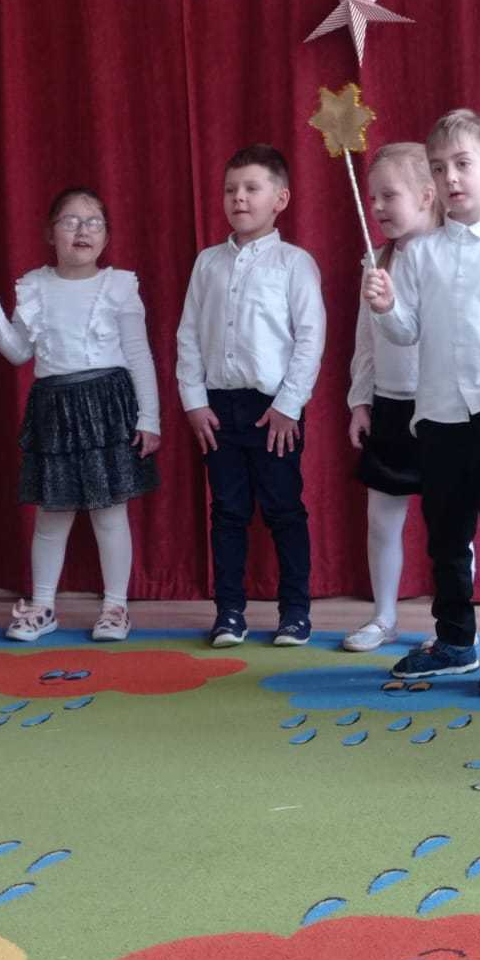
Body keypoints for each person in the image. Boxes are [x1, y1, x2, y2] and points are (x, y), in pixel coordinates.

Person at [363, 109, 480, 696]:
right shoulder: (420, 254)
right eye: (440, 167)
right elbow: (407, 332)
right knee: (446, 539)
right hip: (437, 417)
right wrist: (386, 307)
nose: (450, 178)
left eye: (463, 164)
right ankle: (454, 642)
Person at [0, 187, 160, 643]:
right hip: (54, 408)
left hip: (108, 406)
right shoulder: (34, 286)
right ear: (50, 233)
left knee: (109, 512)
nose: (82, 230)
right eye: (70, 221)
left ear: (106, 236)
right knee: (52, 514)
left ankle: (115, 608)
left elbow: (139, 355)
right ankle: (42, 607)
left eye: (93, 222)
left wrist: (149, 418)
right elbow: (18, 352)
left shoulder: (119, 285)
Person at [177, 144, 324, 648]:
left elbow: (310, 338)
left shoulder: (294, 263)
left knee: (284, 509)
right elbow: (188, 334)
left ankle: (295, 613)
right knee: (227, 511)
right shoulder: (207, 263)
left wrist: (288, 405)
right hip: (218, 409)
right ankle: (229, 612)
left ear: (280, 199)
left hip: (273, 411)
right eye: (230, 189)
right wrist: (194, 401)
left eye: (251, 188)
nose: (238, 198)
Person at [342, 143, 442, 652]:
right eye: (374, 197)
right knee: (382, 520)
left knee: (449, 525)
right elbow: (366, 340)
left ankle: (452, 624)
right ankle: (383, 616)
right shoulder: (375, 260)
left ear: (426, 195)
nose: (378, 206)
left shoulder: (448, 258)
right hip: (390, 404)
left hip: (443, 409)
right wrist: (361, 401)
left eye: (390, 195)